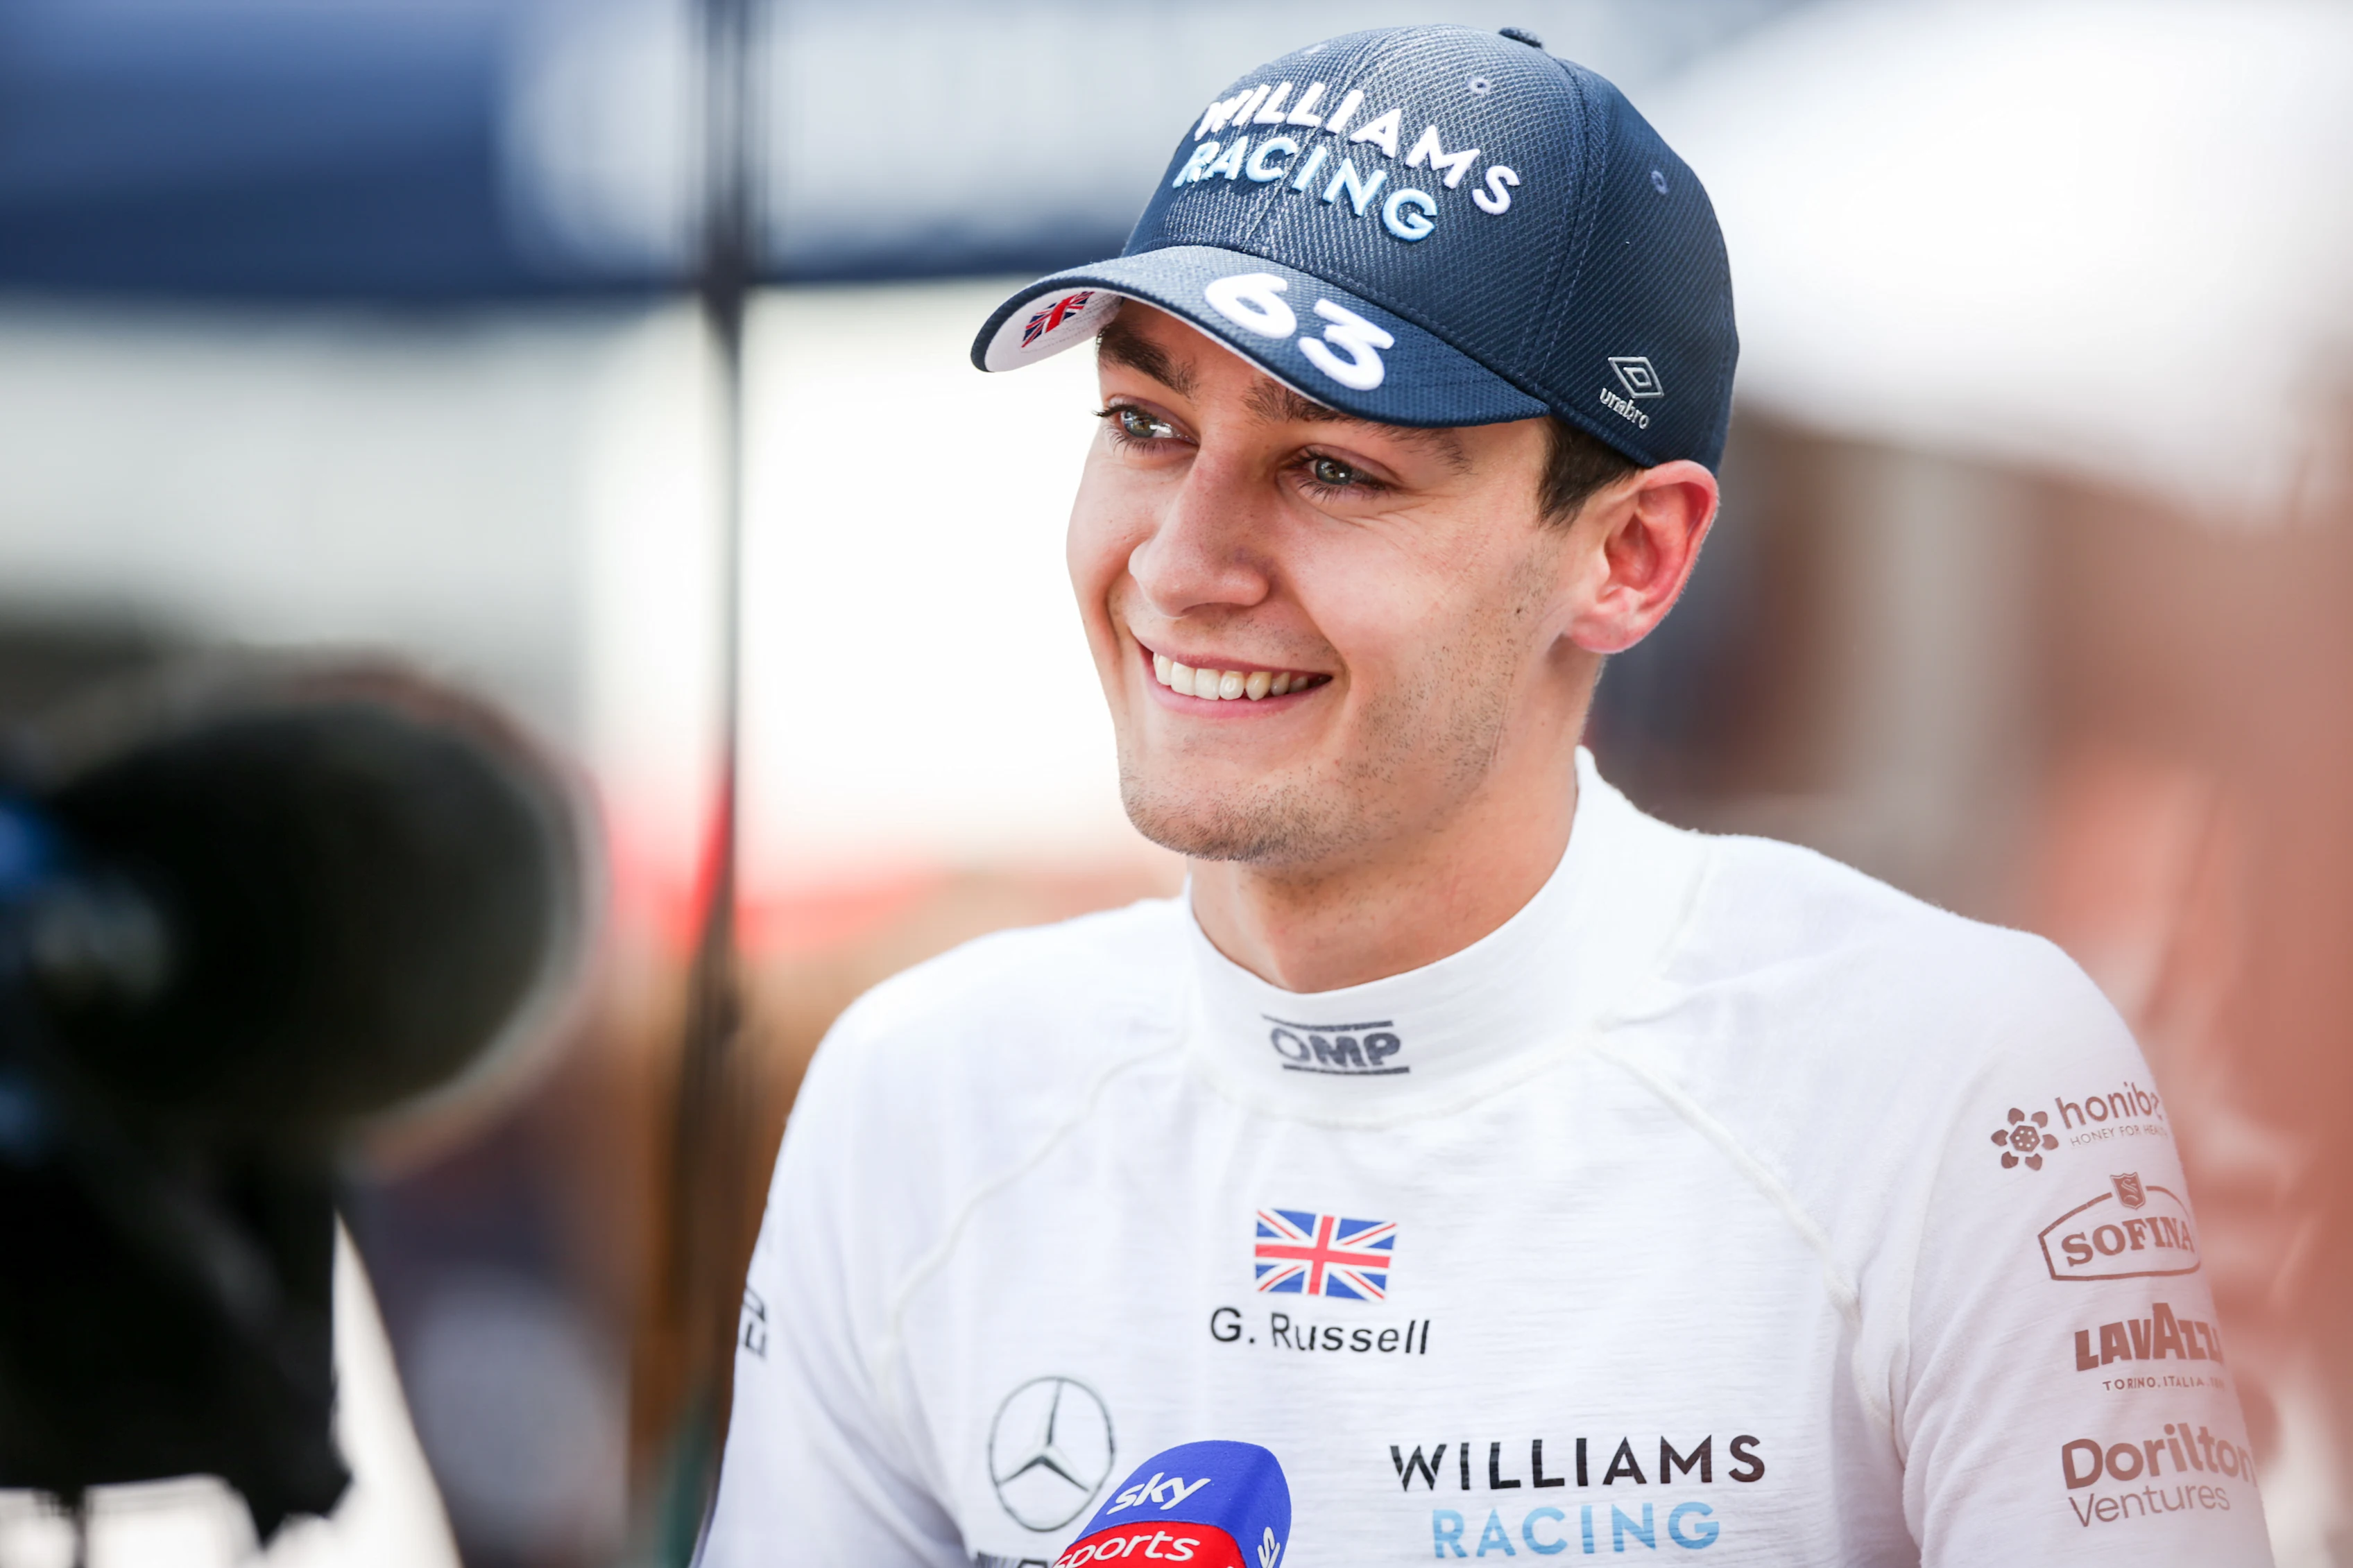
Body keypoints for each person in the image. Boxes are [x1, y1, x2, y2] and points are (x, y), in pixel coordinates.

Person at [700, 24, 2271, 1566]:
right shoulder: (919, 1096)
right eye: (1144, 423)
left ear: (1630, 554)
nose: (1180, 562)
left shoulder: (1956, 1081)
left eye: (1334, 468)